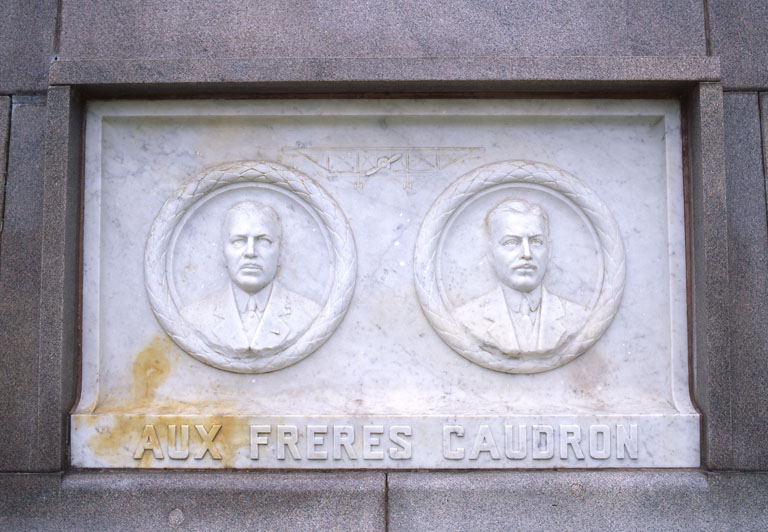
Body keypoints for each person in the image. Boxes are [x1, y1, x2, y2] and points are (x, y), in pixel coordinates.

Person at [181, 201, 321, 358]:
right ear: (223, 252)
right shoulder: (194, 316)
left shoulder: (309, 314)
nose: (250, 252)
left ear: (280, 252)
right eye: (239, 241)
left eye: (263, 241)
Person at [454, 198, 587, 358]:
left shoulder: (579, 316)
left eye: (536, 242)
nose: (526, 254)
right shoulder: (467, 318)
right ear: (490, 253)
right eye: (511, 242)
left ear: (549, 251)